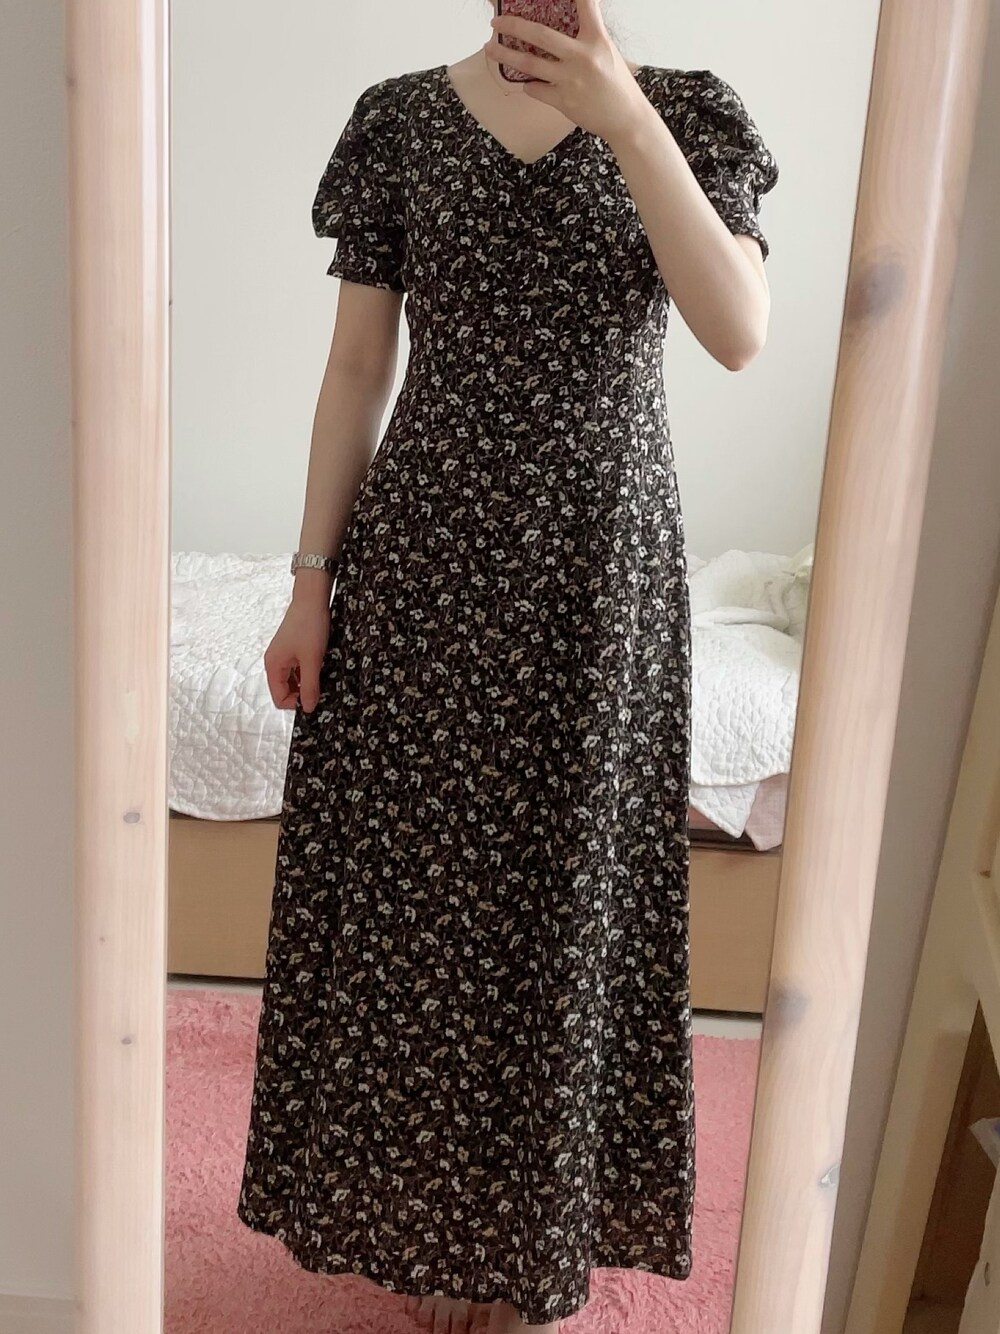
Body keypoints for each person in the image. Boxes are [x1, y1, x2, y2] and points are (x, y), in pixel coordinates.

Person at [236, 2, 778, 1331]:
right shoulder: (400, 121)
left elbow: (737, 327)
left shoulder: (688, 110)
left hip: (600, 573)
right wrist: (310, 583)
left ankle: (530, 1237)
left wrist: (625, 117)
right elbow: (356, 367)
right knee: (420, 898)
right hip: (423, 563)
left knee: (568, 899)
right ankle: (426, 1229)